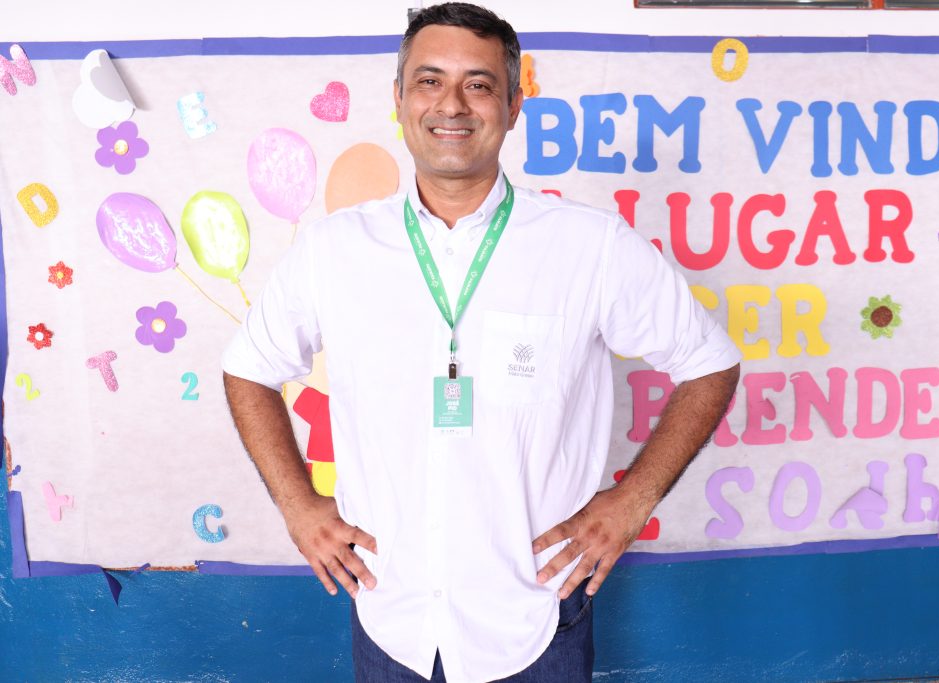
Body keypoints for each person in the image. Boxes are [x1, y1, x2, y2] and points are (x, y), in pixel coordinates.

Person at [222, 3, 741, 681]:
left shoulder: (590, 247)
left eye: (479, 84)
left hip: (537, 617)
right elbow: (249, 368)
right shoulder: (332, 250)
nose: (452, 104)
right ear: (399, 99)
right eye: (430, 80)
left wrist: (631, 500)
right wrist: (298, 505)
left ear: (514, 105)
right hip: (392, 617)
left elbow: (709, 362)